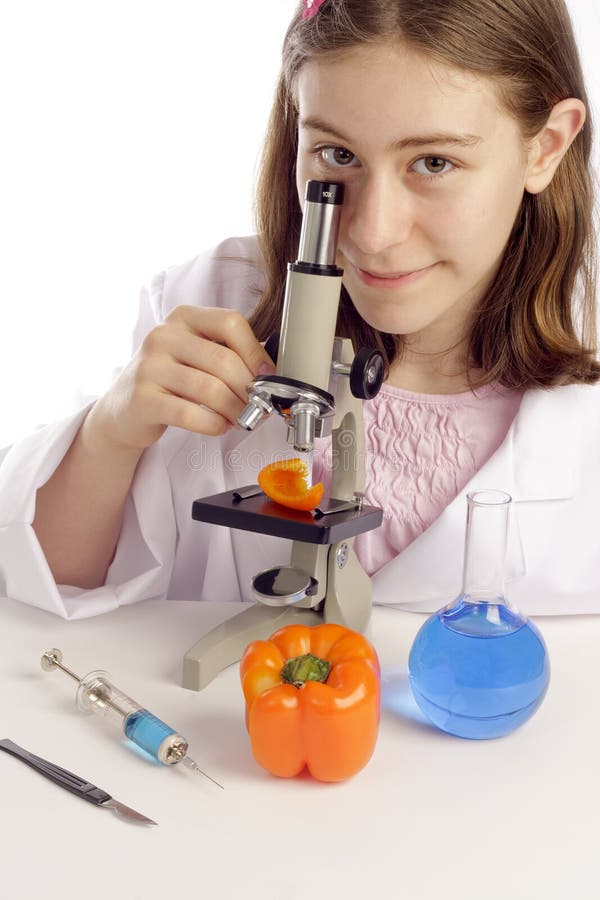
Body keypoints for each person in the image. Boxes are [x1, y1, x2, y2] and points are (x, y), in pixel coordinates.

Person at [0, 0, 598, 620]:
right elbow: (46, 586)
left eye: (434, 163)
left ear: (545, 148)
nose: (373, 232)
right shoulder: (209, 298)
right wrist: (111, 433)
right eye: (338, 155)